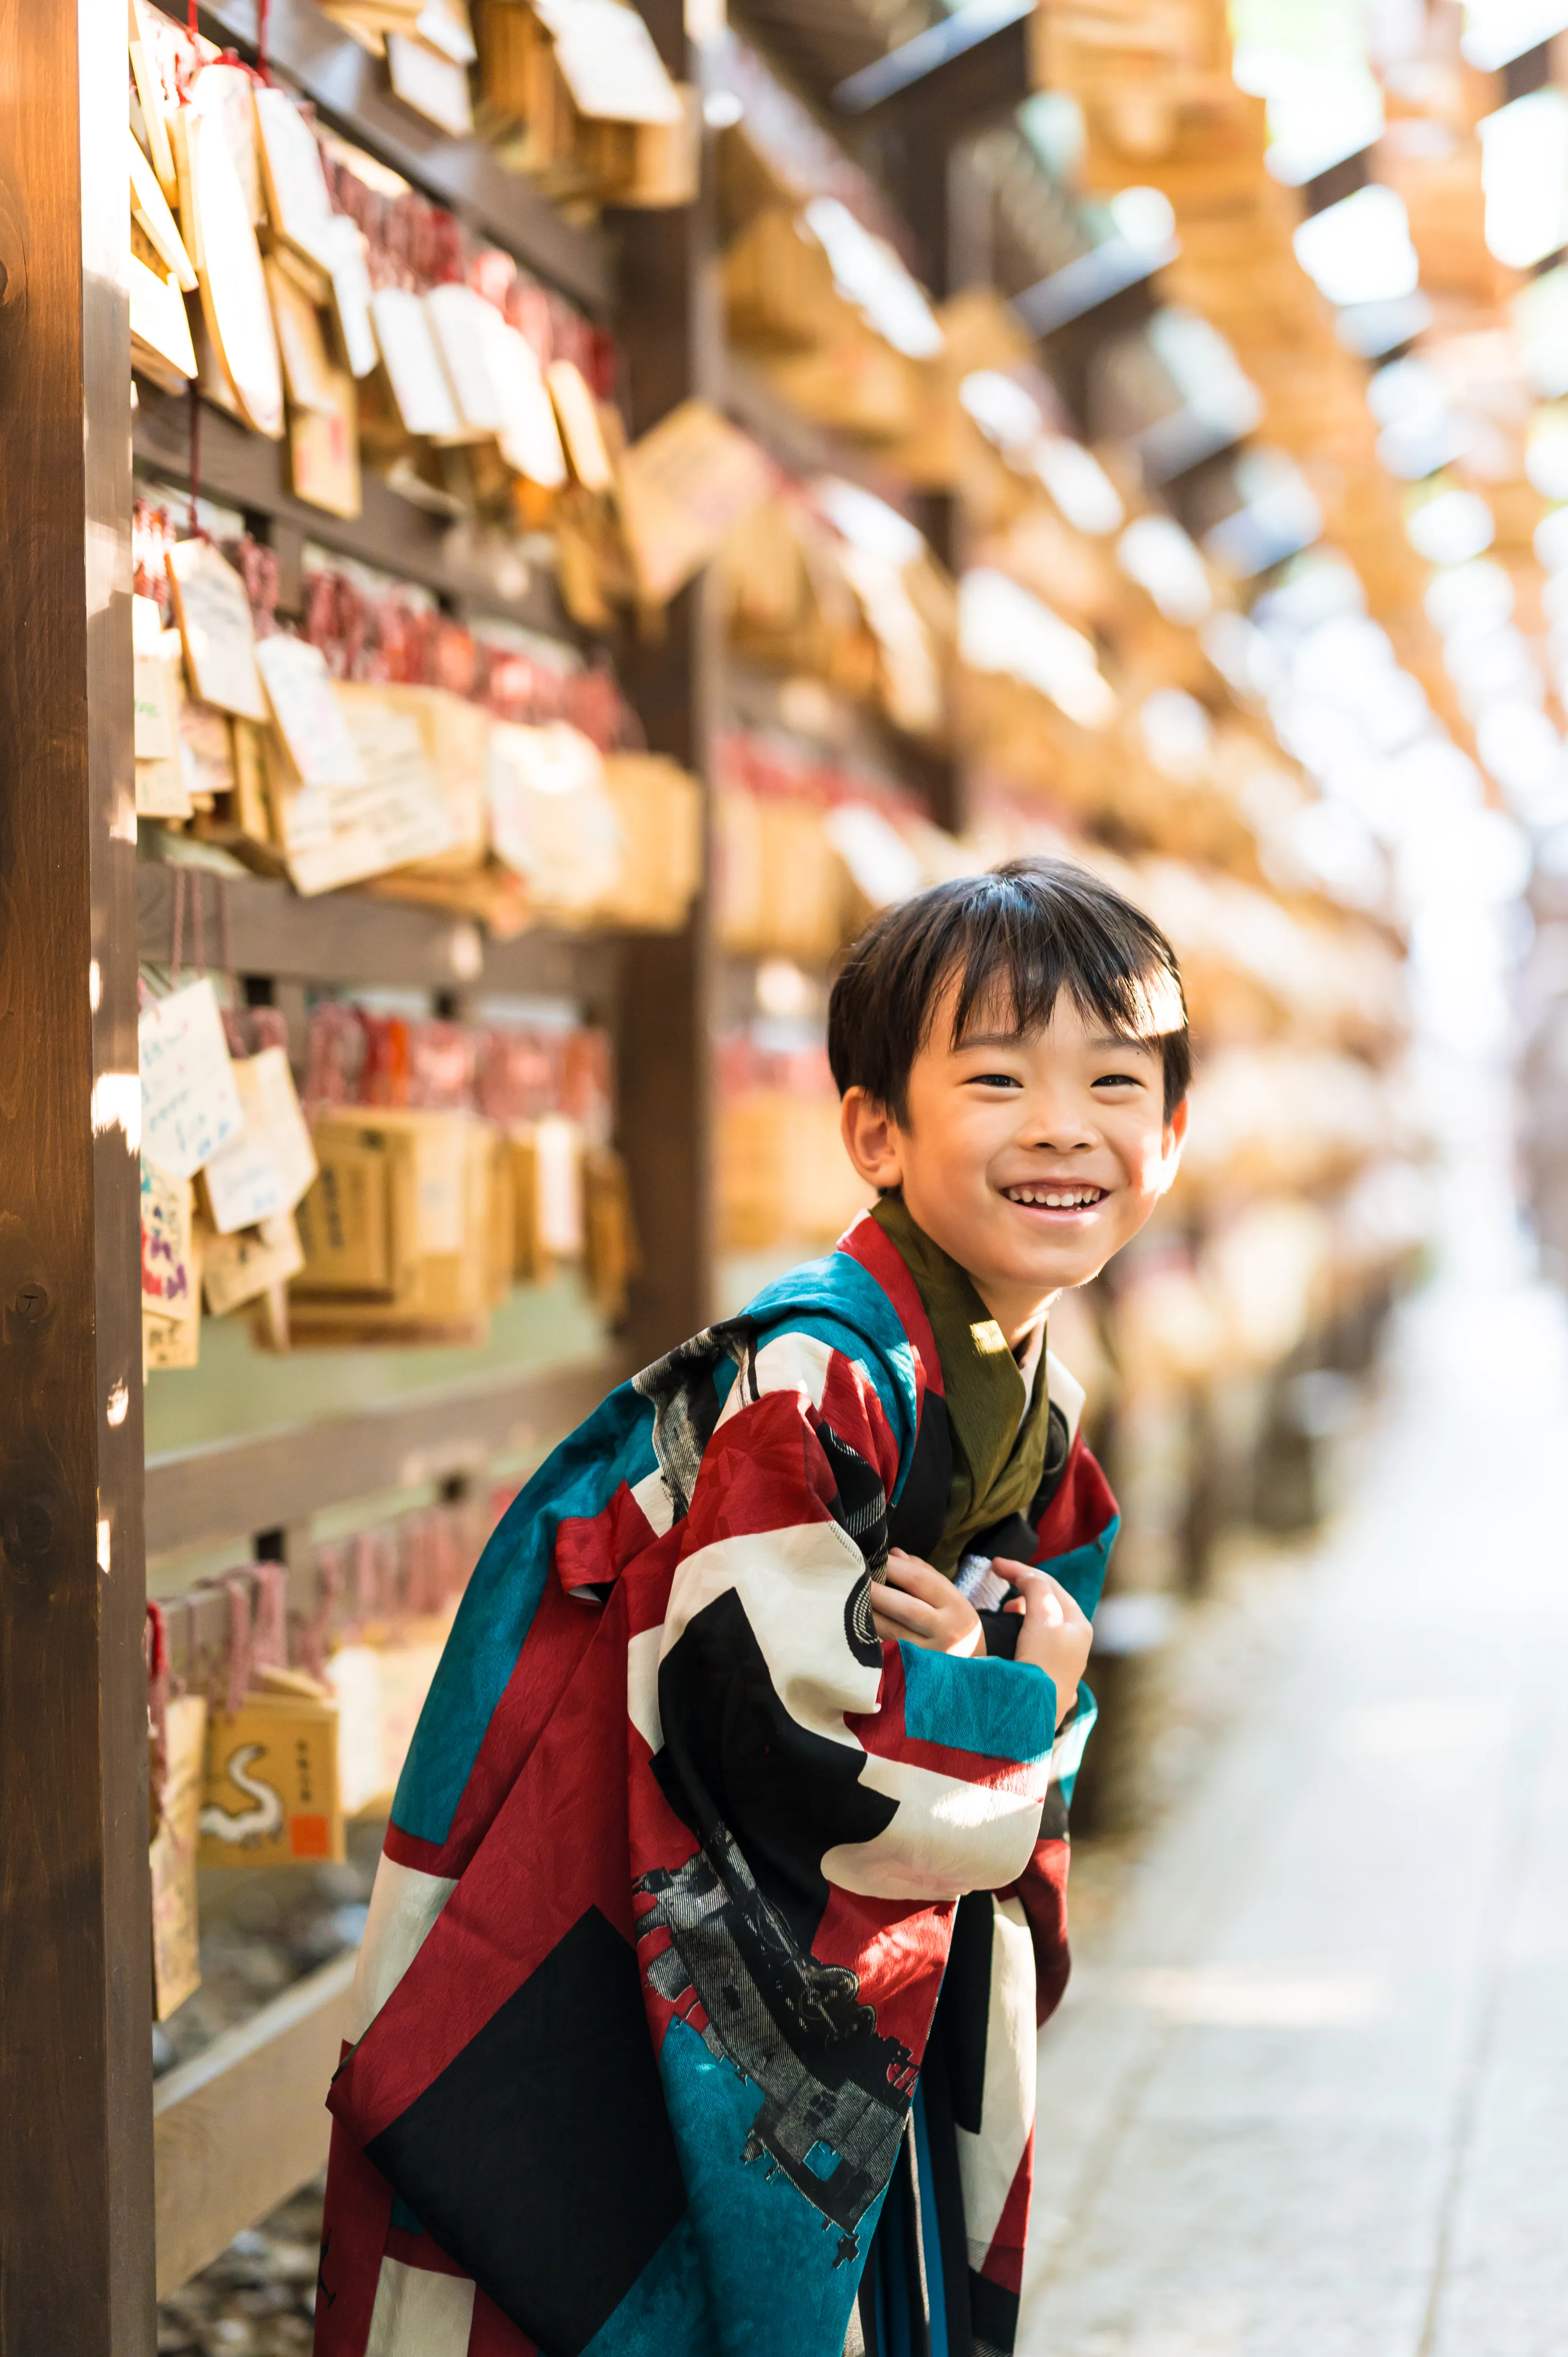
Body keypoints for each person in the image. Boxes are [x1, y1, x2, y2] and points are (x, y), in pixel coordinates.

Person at [313, 857, 1190, 2357]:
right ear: (874, 1130)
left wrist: (1007, 1676)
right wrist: (1013, 1699)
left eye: (1115, 1083)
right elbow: (775, 1724)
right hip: (631, 1921)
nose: (1062, 1125)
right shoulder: (819, 1377)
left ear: (1170, 1134)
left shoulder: (1018, 1385)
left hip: (824, 1958)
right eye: (996, 1079)